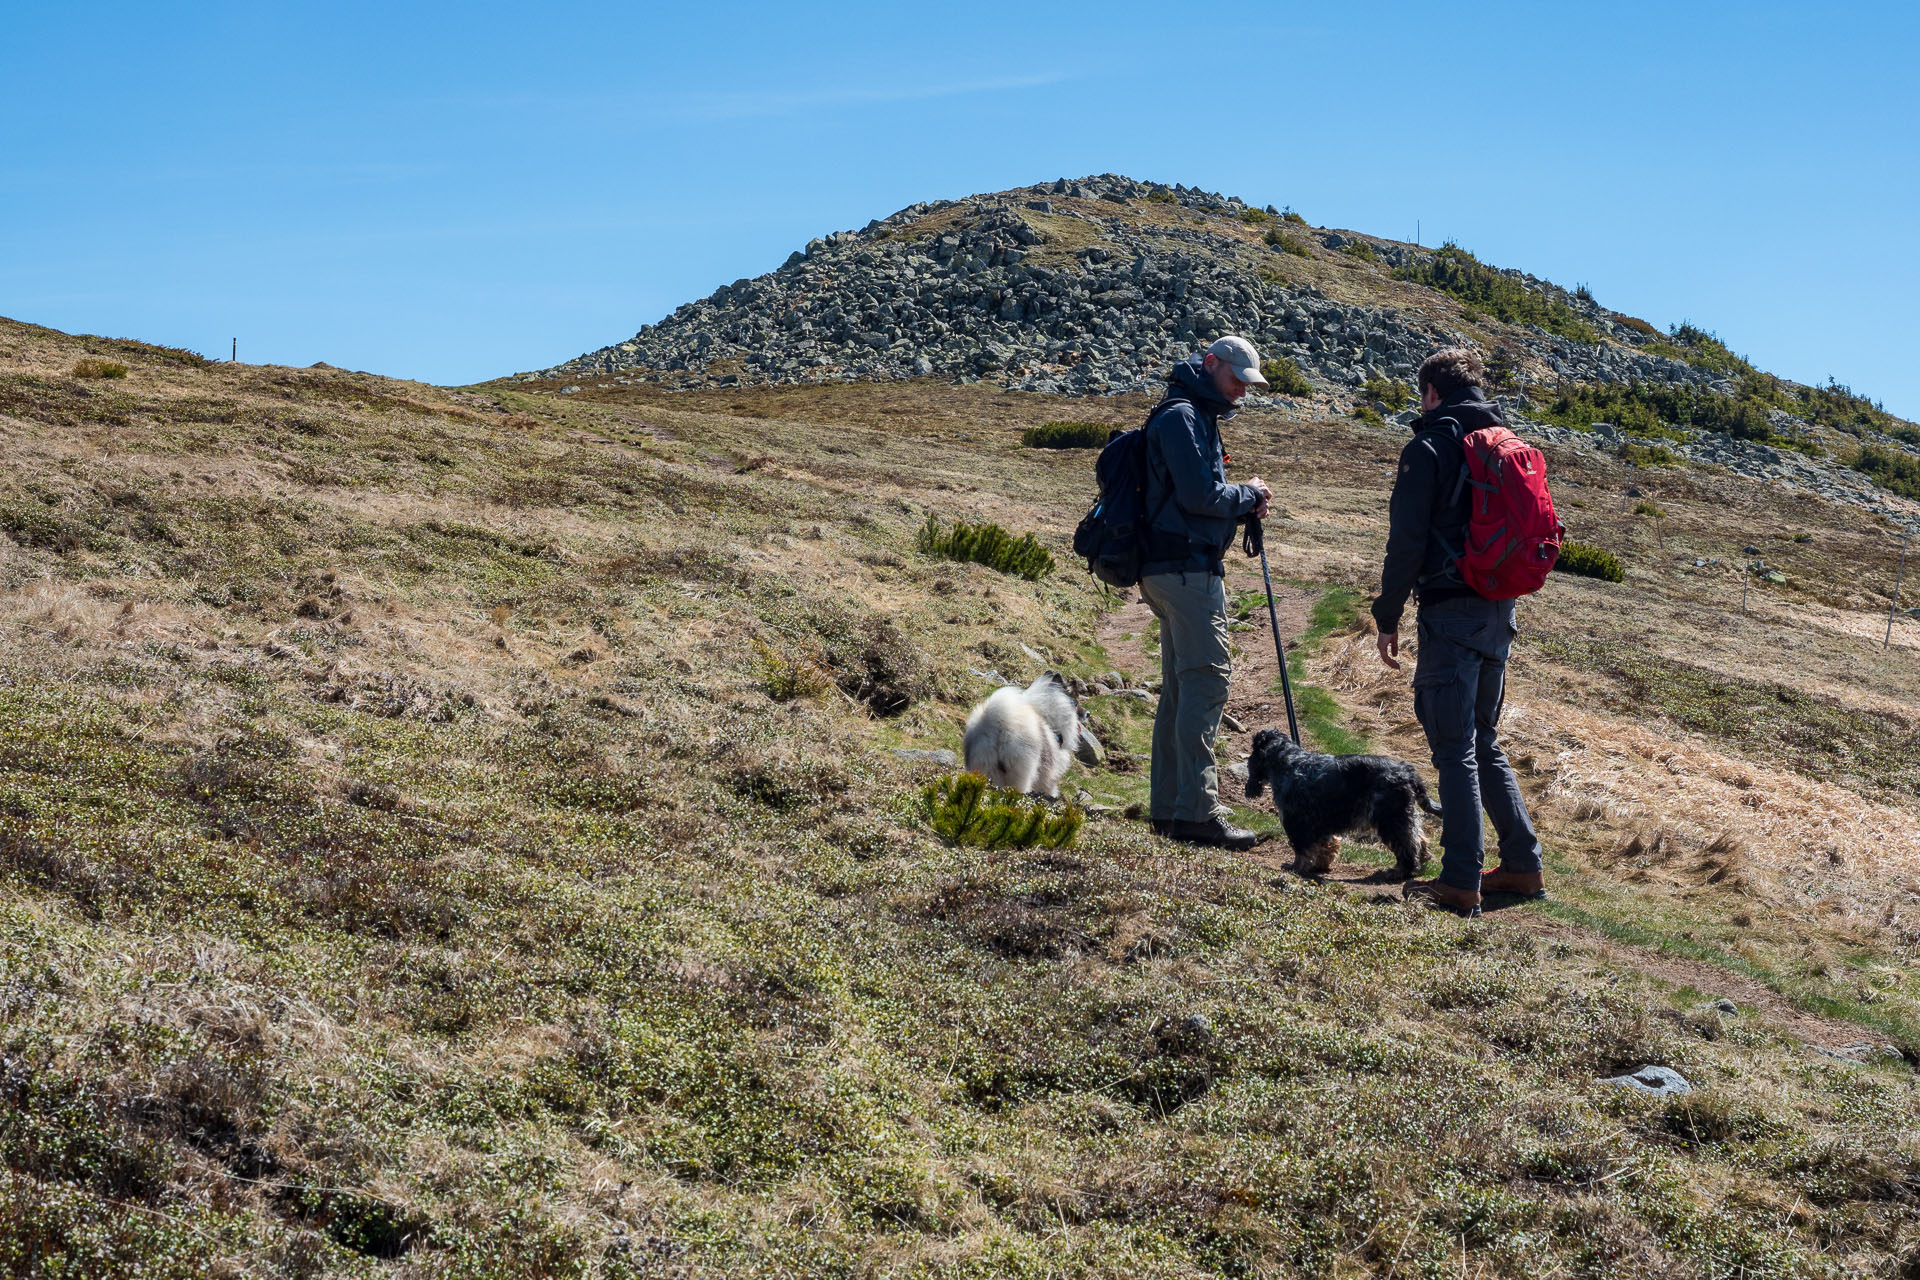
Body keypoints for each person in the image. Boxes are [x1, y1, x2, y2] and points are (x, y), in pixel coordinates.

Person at [1372, 346, 1544, 914]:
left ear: (1431, 392)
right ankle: (1521, 866)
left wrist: (1387, 613)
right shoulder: (1502, 442)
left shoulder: (1430, 446)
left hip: (1450, 609)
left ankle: (1460, 879)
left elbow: (1406, 542)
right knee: (1483, 740)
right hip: (1501, 608)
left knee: (1453, 748)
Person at [1140, 335, 1273, 850]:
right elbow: (1200, 497)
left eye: (1248, 383)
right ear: (1211, 364)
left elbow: (1194, 496)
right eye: (1237, 378)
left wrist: (1242, 501)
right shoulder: (1183, 417)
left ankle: (1172, 808)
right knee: (1205, 684)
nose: (1242, 390)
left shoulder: (1190, 413)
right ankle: (1196, 811)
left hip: (1173, 570)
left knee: (1180, 687)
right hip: (1187, 573)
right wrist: (1251, 495)